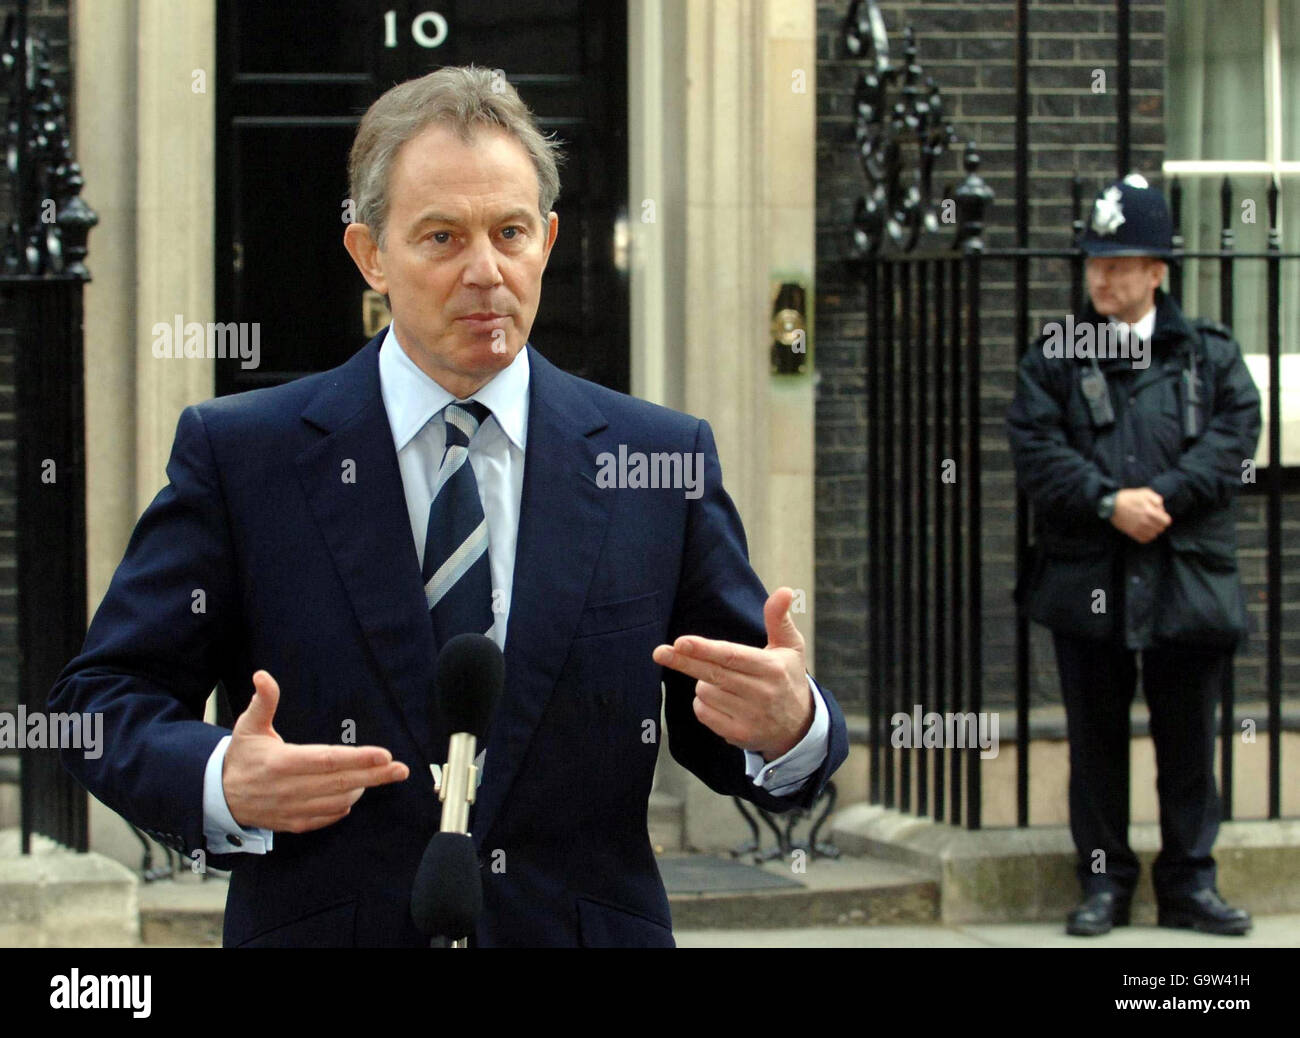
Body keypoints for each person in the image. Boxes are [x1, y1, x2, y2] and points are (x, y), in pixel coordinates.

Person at [51, 66, 848, 948]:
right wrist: (218, 781)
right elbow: (101, 700)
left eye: (510, 232)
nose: (486, 272)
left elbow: (734, 714)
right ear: (370, 254)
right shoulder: (246, 456)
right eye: (441, 236)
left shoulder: (657, 457)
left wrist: (791, 727)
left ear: (546, 239)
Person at [1006, 173, 1261, 937]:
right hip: (1090, 576)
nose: (1102, 278)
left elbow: (1235, 436)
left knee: (1191, 743)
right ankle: (1104, 885)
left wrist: (1167, 498)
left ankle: (1189, 884)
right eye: (1094, 263)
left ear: (1158, 271)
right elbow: (1034, 447)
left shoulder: (1209, 356)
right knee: (1095, 743)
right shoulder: (1054, 357)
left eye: (1119, 264)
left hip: (1186, 581)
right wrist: (1109, 502)